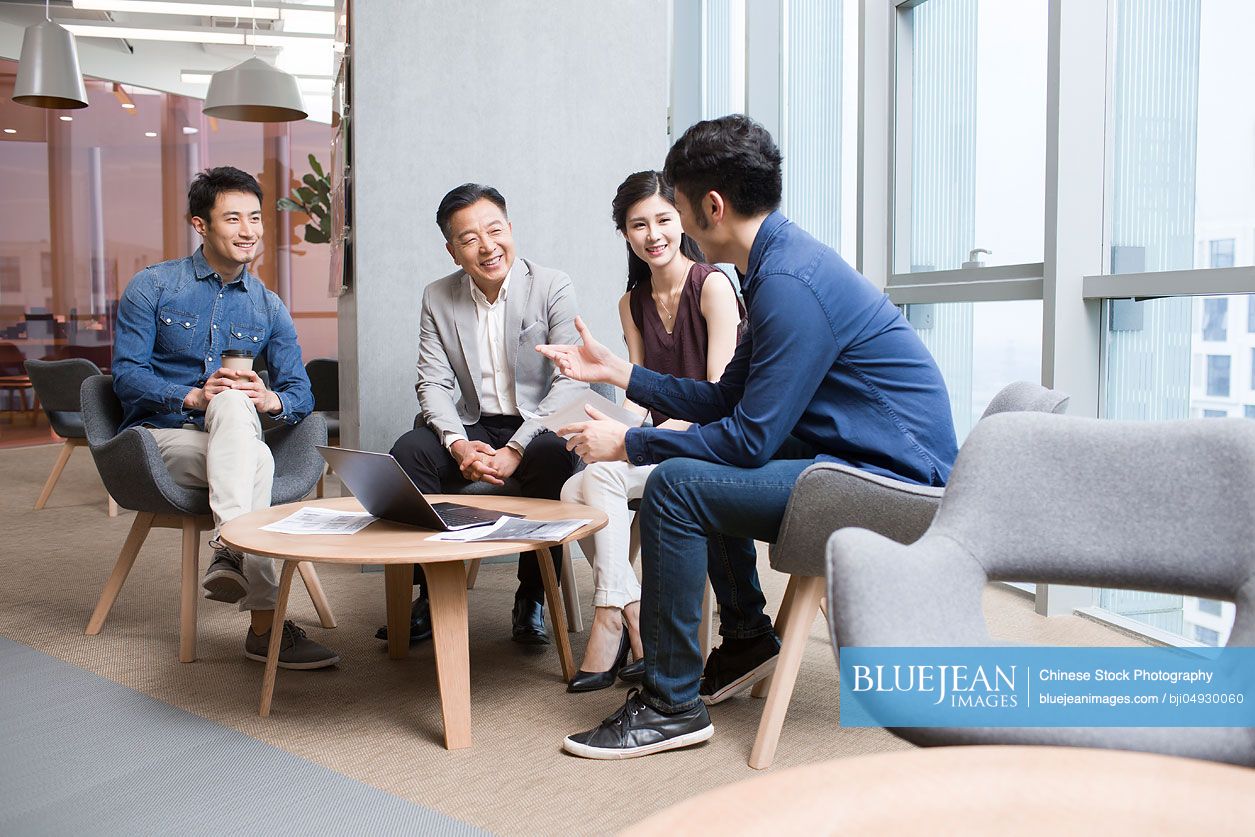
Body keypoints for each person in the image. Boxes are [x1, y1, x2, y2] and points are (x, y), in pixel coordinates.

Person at [540, 115, 959, 758]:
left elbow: (748, 440)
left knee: (678, 488)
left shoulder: (788, 285)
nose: (670, 225)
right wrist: (618, 371)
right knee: (698, 474)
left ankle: (670, 704)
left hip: (897, 483)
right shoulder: (773, 269)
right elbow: (725, 400)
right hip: (851, 459)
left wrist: (631, 445)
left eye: (675, 207)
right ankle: (745, 640)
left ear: (711, 206)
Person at [112, 166, 338, 670]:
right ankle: (264, 623)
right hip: (161, 440)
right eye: (233, 218)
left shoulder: (268, 305)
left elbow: (300, 389)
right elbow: (125, 376)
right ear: (200, 225)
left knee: (240, 413)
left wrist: (270, 400)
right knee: (253, 456)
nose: (248, 230)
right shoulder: (152, 287)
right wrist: (193, 396)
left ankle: (230, 549)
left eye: (255, 218)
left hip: (228, 444)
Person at [560, 171, 743, 692]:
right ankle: (632, 609)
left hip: (709, 444)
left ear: (681, 221)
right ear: (624, 233)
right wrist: (611, 425)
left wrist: (633, 446)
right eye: (638, 225)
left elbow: (717, 396)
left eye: (663, 219)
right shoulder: (632, 302)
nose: (653, 234)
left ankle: (610, 618)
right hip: (658, 443)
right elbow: (639, 398)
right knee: (574, 485)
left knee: (601, 482)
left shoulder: (713, 287)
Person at [382, 184, 585, 646]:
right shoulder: (438, 296)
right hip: (475, 421)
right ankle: (431, 590)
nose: (487, 245)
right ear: (453, 251)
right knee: (407, 452)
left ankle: (533, 595)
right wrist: (457, 444)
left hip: (539, 422)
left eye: (495, 230)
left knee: (554, 457)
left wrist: (516, 448)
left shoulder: (552, 285)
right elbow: (432, 383)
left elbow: (571, 381)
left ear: (511, 230)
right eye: (469, 238)